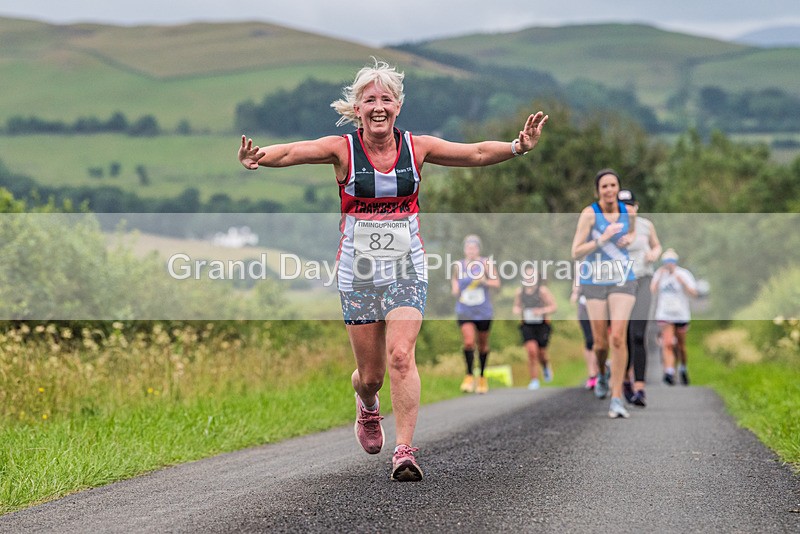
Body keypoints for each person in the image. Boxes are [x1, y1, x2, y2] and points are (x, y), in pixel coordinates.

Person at [238, 58, 548, 481]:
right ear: (357, 109)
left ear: (398, 106)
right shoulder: (342, 149)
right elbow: (293, 151)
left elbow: (474, 152)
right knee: (372, 375)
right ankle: (367, 405)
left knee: (401, 355)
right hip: (358, 273)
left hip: (407, 267)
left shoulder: (416, 148)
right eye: (370, 100)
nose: (378, 106)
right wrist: (260, 157)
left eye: (386, 99)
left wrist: (517, 147)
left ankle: (405, 451)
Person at [570, 169, 637, 419]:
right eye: (604, 186)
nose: (609, 190)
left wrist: (628, 239)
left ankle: (617, 397)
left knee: (618, 337)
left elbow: (632, 233)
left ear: (618, 188)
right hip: (594, 280)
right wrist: (601, 240)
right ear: (597, 191)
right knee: (600, 344)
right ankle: (600, 373)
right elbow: (575, 252)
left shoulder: (628, 212)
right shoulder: (589, 215)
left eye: (613, 185)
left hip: (622, 278)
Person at [618, 189, 662, 407]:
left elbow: (657, 245)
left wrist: (655, 254)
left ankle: (640, 388)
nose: (627, 209)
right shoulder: (613, 226)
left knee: (638, 334)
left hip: (644, 279)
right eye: (622, 205)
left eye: (630, 205)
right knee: (624, 334)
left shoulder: (646, 225)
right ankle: (625, 379)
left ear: (636, 206)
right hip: (622, 282)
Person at [452, 235, 500, 394]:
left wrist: (484, 281)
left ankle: (482, 377)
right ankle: (469, 375)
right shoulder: (458, 265)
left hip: (483, 310)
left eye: (474, 248)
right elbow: (455, 286)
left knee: (483, 344)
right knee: (468, 342)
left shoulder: (486, 263)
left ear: (478, 249)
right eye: (468, 248)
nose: (471, 251)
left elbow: (496, 283)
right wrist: (456, 291)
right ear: (464, 249)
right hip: (465, 310)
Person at [651, 248, 698, 386]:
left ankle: (683, 367)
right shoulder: (660, 274)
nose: (668, 264)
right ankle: (669, 372)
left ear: (675, 262)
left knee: (681, 346)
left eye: (671, 262)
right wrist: (658, 278)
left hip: (681, 315)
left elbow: (694, 293)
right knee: (668, 343)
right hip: (665, 314)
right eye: (666, 262)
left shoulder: (684, 274)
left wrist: (682, 282)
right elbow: (652, 291)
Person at [513, 265, 557, 390]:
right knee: (532, 352)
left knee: (541, 353)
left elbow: (553, 306)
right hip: (527, 325)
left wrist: (541, 310)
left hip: (542, 325)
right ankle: (534, 380)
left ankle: (545, 366)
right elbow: (515, 307)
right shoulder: (520, 292)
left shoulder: (542, 291)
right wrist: (518, 310)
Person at [570, 284, 598, 390]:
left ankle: (601, 370)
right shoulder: (580, 267)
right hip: (584, 305)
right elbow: (577, 281)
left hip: (601, 303)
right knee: (589, 340)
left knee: (599, 341)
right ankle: (592, 374)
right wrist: (575, 292)